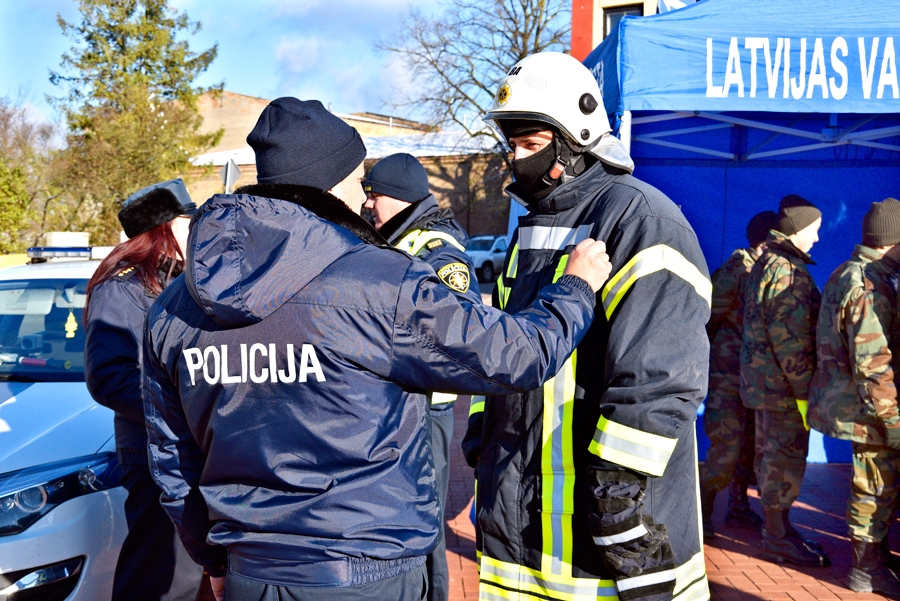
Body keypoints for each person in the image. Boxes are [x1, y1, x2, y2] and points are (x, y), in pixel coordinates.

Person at [142, 97, 612, 601]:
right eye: (358, 179)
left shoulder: (173, 307)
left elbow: (172, 456)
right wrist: (576, 288)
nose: (363, 198)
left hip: (251, 573)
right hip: (365, 571)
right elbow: (515, 356)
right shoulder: (380, 283)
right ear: (332, 184)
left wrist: (213, 561)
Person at [466, 51, 712, 601]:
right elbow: (504, 345)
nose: (515, 158)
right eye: (511, 144)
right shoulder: (534, 227)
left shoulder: (641, 220)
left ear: (574, 140)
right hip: (518, 535)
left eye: (530, 143)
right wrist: (482, 436)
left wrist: (619, 505)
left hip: (605, 546)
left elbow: (659, 380)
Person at [364, 152, 479, 601]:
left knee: (425, 522)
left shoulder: (436, 250)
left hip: (425, 412)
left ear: (401, 197)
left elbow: (460, 332)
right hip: (401, 408)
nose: (368, 204)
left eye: (375, 195)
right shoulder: (398, 240)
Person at [84, 178, 202, 601]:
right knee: (161, 577)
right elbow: (109, 377)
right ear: (165, 228)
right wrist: (186, 407)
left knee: (190, 576)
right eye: (190, 222)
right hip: (155, 452)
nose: (198, 230)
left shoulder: (183, 282)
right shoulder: (123, 287)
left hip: (187, 448)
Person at [808, 198, 900, 595]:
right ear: (891, 240)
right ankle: (866, 570)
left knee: (875, 483)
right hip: (867, 406)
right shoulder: (868, 283)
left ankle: (875, 559)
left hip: (854, 401)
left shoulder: (851, 270)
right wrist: (892, 421)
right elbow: (873, 363)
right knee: (874, 486)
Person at [741, 194, 830, 567]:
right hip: (783, 390)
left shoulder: (770, 262)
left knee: (771, 457)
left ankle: (778, 530)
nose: (817, 238)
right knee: (783, 459)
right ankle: (777, 537)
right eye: (814, 230)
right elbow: (790, 341)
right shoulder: (787, 271)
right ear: (797, 229)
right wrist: (805, 393)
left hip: (768, 386)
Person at [699, 211, 777, 539]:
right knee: (726, 445)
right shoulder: (735, 272)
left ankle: (739, 506)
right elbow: (707, 321)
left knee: (747, 445)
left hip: (753, 377)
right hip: (728, 376)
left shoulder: (765, 272)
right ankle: (701, 513)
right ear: (763, 243)